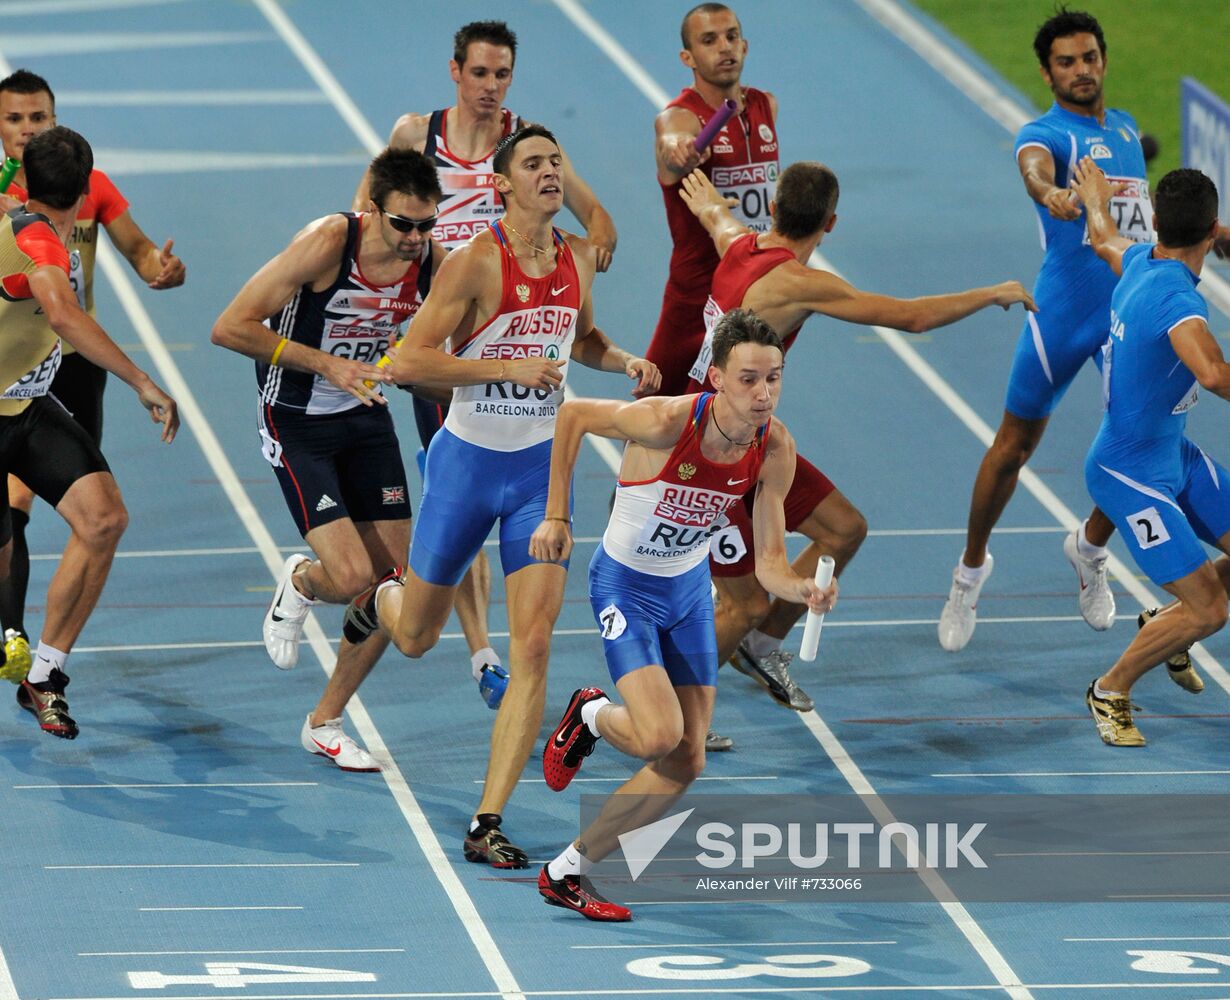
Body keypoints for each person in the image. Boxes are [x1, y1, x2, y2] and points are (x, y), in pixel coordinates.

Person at [342, 125, 659, 867]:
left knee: (537, 645)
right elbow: (406, 361)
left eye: (557, 161)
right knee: (416, 637)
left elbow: (576, 340)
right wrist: (505, 370)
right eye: (535, 164)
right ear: (502, 184)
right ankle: (378, 601)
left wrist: (622, 360)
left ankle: (487, 821)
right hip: (466, 466)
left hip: (537, 475)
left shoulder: (578, 257)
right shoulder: (476, 263)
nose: (551, 172)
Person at [679, 165, 1035, 711]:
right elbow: (912, 318)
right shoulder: (802, 284)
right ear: (832, 223)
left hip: (752, 440)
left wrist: (708, 203)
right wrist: (990, 293)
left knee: (843, 530)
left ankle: (762, 645)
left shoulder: (738, 245)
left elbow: (717, 219)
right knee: (742, 604)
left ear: (773, 208)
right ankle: (673, 720)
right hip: (712, 449)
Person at [532, 309, 837, 921]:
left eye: (774, 378)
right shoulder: (670, 420)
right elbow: (572, 416)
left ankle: (568, 871)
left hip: (690, 595)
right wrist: (558, 516)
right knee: (657, 735)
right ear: (717, 378)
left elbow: (771, 560)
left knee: (686, 760)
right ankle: (590, 714)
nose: (764, 393)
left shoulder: (773, 446)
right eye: (749, 379)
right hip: (626, 588)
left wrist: (801, 588)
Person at [352, 21, 618, 707]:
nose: (492, 88)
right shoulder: (418, 135)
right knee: (466, 482)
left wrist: (570, 273)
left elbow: (601, 226)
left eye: (503, 75)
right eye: (481, 74)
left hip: (514, 317)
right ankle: (453, 634)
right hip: (451, 327)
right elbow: (369, 215)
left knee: (499, 468)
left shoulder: (527, 142)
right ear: (455, 72)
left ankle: (482, 656)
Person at [211, 147, 449, 771]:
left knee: (394, 582)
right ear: (372, 210)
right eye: (403, 225)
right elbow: (231, 327)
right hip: (295, 420)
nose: (414, 240)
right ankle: (300, 581)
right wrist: (328, 364)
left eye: (426, 226)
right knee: (346, 578)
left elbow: (431, 374)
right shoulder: (327, 243)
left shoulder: (431, 265)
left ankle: (325, 720)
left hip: (364, 418)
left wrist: (438, 379)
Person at [939, 9, 1151, 652]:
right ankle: (969, 571)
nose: (1081, 70)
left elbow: (1136, 221)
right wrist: (1053, 195)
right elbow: (1035, 172)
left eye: (1089, 57)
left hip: (1127, 312)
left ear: (1103, 60)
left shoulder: (1127, 129)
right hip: (1061, 311)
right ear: (1046, 71)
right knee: (1013, 447)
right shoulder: (1045, 132)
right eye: (1067, 61)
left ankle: (1089, 548)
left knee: (1137, 443)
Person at [0, 69, 184, 679]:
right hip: (23, 367)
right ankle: (13, 633)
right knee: (17, 499)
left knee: (96, 513)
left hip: (72, 368)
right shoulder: (13, 216)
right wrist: (145, 381)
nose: (28, 130)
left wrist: (161, 266)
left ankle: (38, 660)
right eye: (15, 118)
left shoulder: (88, 185)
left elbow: (139, 251)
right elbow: (59, 307)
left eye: (39, 118)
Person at [1071, 158, 1228, 746]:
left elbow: (1102, 236)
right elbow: (1212, 374)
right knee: (1211, 610)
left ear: (1156, 221)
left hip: (1172, 457)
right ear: (1212, 232)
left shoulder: (1137, 259)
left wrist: (1095, 198)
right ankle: (1110, 688)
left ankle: (1167, 625)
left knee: (1195, 606)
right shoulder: (1178, 304)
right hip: (1127, 474)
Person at [646, 2, 779, 398]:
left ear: (746, 45)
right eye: (709, 40)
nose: (725, 48)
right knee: (658, 409)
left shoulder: (765, 105)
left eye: (732, 36)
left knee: (743, 408)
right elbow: (672, 139)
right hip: (697, 296)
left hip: (755, 291)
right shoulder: (681, 117)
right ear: (688, 57)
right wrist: (679, 150)